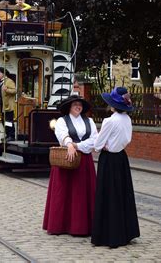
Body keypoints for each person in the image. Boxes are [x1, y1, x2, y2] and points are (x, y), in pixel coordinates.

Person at [92, 87, 140, 248]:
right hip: (121, 158)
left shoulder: (109, 121)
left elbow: (97, 145)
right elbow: (128, 139)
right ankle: (126, 233)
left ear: (112, 104)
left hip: (109, 159)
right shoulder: (127, 120)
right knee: (122, 195)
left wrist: (104, 145)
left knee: (108, 196)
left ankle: (109, 235)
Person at [43, 95, 98, 236]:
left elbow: (95, 140)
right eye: (75, 104)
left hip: (84, 161)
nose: (78, 107)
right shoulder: (62, 121)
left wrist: (77, 145)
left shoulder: (89, 121)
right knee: (64, 194)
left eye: (79, 104)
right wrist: (69, 144)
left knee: (82, 193)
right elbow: (62, 135)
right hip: (67, 159)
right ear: (69, 107)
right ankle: (61, 225)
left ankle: (83, 226)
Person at [0, 67, 16, 142]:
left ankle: (11, 135)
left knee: (9, 121)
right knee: (4, 121)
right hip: (3, 106)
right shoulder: (2, 82)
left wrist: (7, 90)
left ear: (3, 73)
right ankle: (8, 135)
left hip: (8, 106)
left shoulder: (9, 81)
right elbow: (0, 95)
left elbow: (14, 91)